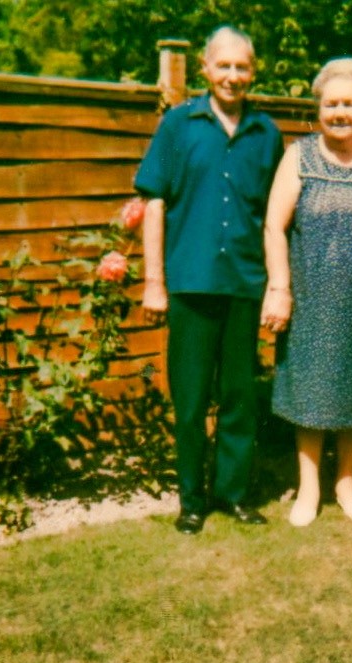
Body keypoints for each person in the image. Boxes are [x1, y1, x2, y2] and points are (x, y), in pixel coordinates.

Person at [134, 26, 284, 535]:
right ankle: (192, 500)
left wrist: (278, 286)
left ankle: (235, 493)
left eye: (242, 67)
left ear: (253, 71)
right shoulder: (178, 126)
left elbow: (273, 217)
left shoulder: (267, 134)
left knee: (241, 398)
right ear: (205, 69)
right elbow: (154, 202)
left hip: (244, 284)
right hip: (191, 285)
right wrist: (154, 280)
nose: (233, 76)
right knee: (192, 399)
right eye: (224, 66)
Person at [261, 58, 352, 527]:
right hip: (311, 300)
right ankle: (309, 487)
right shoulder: (298, 156)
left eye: (349, 104)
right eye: (331, 103)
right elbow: (274, 226)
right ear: (318, 108)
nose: (340, 112)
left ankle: (346, 481)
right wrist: (281, 287)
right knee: (309, 391)